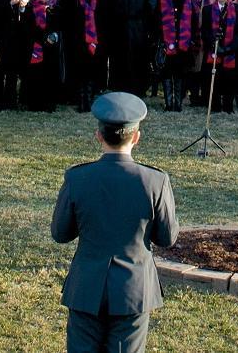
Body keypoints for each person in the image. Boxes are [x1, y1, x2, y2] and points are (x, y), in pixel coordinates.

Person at [51, 91, 178, 353]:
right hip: (133, 290)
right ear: (136, 137)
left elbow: (60, 233)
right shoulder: (154, 181)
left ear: (98, 136)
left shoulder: (78, 178)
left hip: (86, 287)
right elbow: (167, 238)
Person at [200, 0, 238, 114]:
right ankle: (215, 106)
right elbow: (205, 30)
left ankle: (228, 106)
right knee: (214, 79)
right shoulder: (208, 9)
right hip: (214, 51)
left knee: (229, 79)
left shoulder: (237, 9)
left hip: (231, 52)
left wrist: (230, 48)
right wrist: (213, 45)